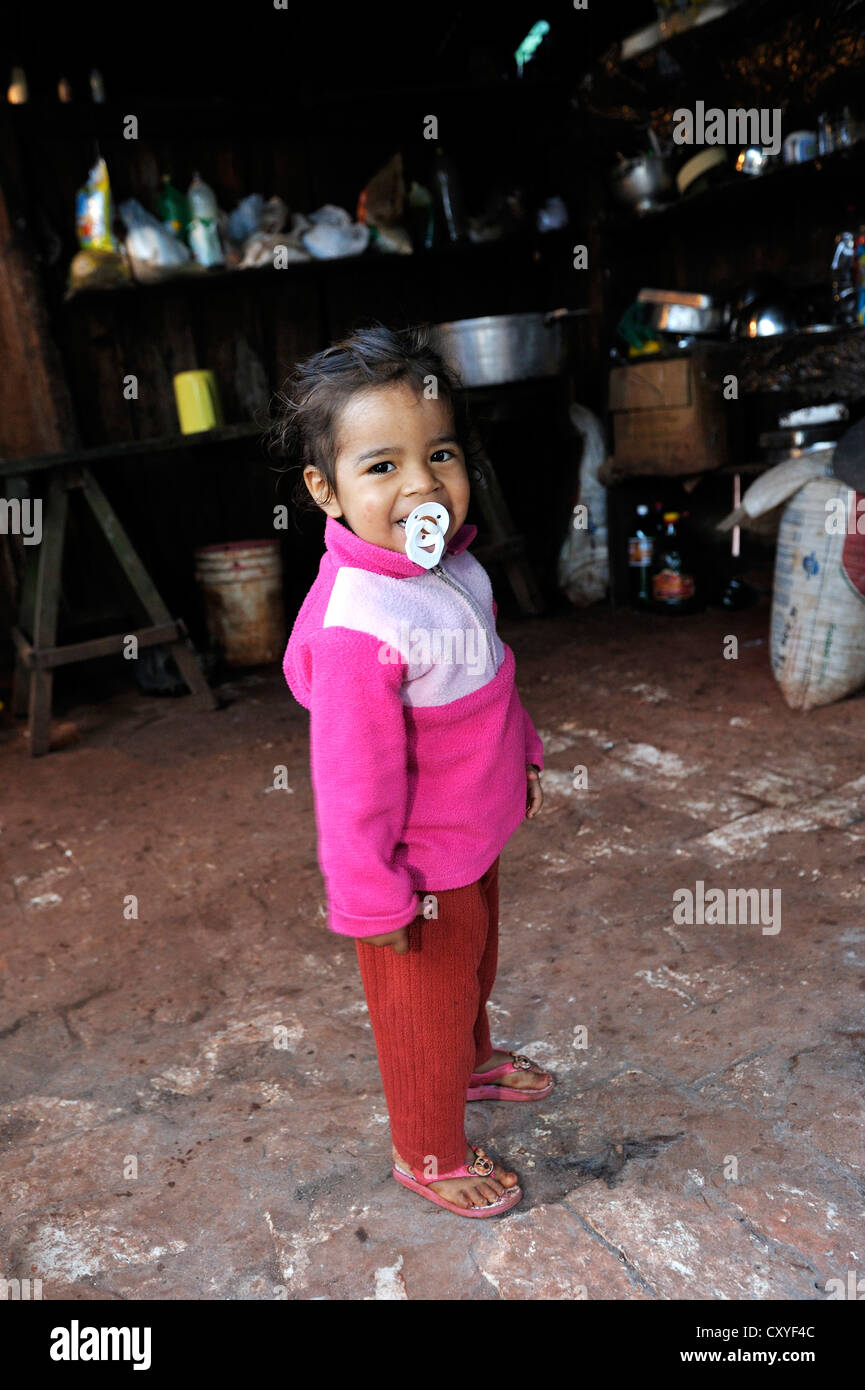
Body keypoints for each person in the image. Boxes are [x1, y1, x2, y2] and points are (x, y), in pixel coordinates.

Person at [276, 324, 553, 1217]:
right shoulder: (360, 623)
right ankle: (427, 1150)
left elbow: (490, 673)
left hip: (469, 836)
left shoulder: (450, 565)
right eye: (381, 466)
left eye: (438, 453)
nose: (422, 485)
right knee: (421, 1009)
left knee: (471, 970)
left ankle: (469, 1066)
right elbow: (351, 783)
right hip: (410, 872)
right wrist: (370, 897)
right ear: (325, 490)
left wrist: (526, 757)